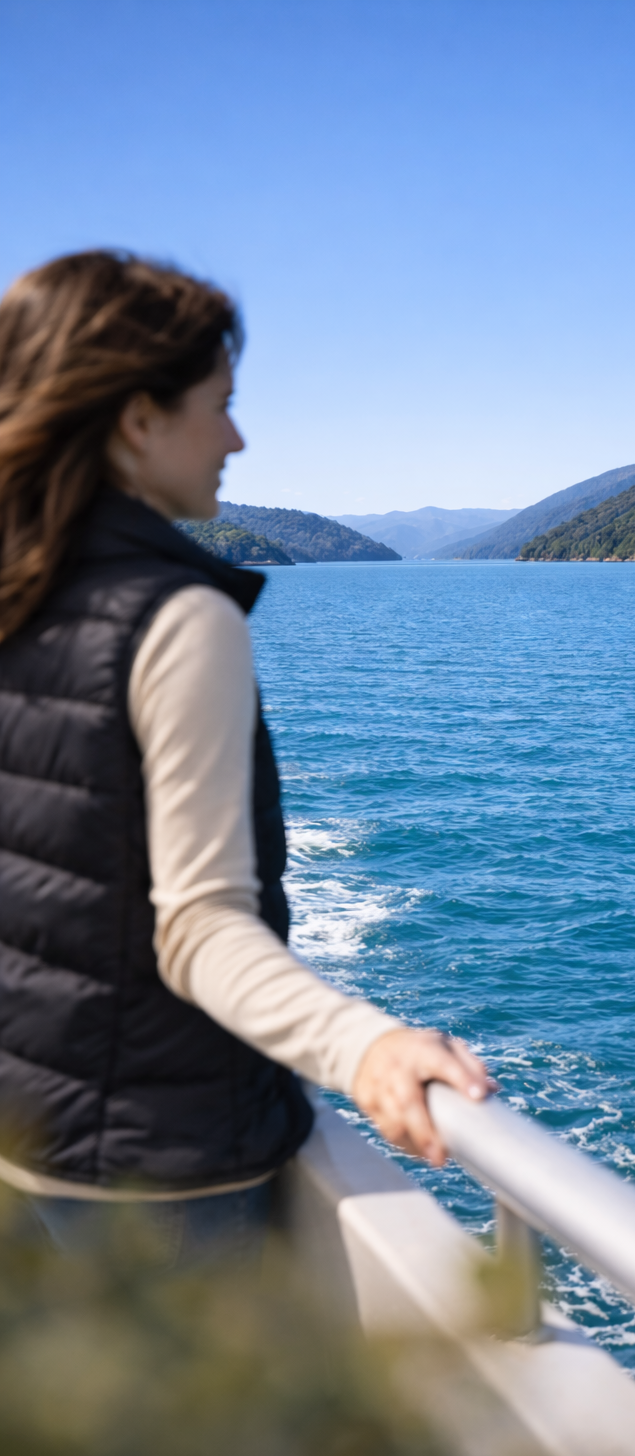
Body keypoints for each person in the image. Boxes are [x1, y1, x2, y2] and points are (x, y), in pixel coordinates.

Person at [0, 251, 490, 1265]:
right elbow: (199, 931)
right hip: (158, 1174)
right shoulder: (175, 616)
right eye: (219, 403)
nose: (238, 436)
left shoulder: (22, 590)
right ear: (138, 417)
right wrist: (366, 1047)